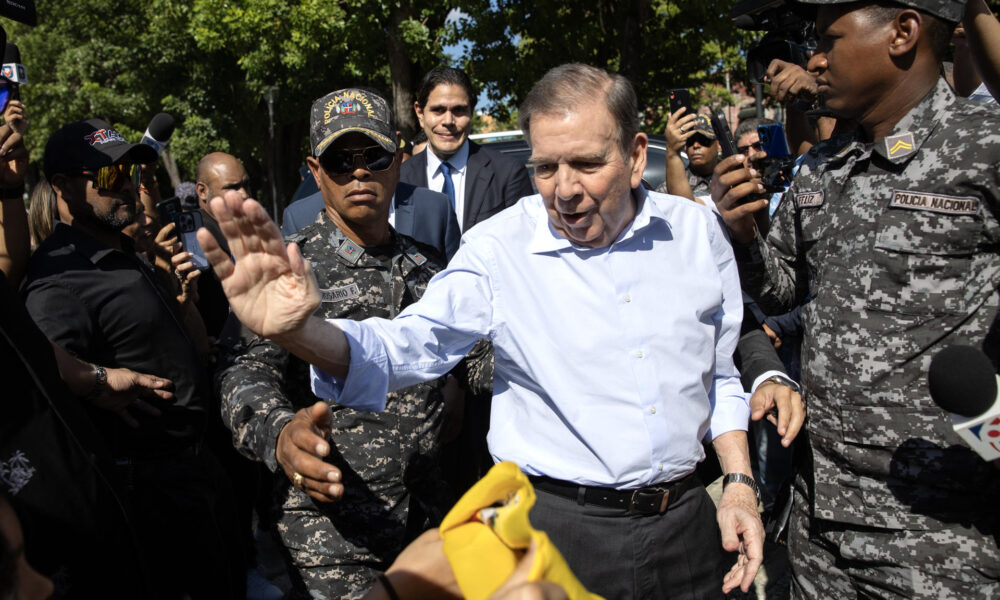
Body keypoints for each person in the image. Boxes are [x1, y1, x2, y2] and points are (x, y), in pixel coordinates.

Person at [199, 64, 808, 600]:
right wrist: (303, 331)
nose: (564, 190)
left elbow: (721, 372)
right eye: (545, 167)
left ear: (634, 151)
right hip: (554, 533)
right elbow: (405, 348)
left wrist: (737, 485)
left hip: (688, 529)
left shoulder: (697, 234)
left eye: (587, 164)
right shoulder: (496, 249)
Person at [713, 1, 1000, 596]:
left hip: (939, 534)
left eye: (830, 41)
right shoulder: (822, 165)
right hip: (820, 520)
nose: (814, 61)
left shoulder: (984, 147)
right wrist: (743, 234)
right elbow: (781, 287)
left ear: (903, 33)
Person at [219, 88, 451, 600]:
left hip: (429, 524)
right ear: (315, 169)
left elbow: (482, 360)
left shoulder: (435, 267)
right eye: (340, 161)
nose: (360, 172)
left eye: (373, 156)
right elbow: (241, 373)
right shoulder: (287, 269)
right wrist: (280, 434)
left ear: (399, 158)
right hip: (333, 537)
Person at [21, 119, 244, 599]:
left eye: (130, 173)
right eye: (107, 177)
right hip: (147, 500)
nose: (125, 185)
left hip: (196, 476)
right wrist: (100, 381)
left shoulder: (127, 250)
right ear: (62, 188)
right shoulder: (59, 279)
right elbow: (42, 375)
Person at [400, 66, 533, 232]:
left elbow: (522, 243)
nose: (448, 121)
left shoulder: (507, 173)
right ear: (420, 113)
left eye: (459, 110)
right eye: (438, 110)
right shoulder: (399, 178)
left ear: (471, 112)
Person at [656, 114, 719, 201]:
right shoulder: (671, 185)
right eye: (690, 141)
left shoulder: (729, 177)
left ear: (719, 145)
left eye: (703, 140)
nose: (696, 145)